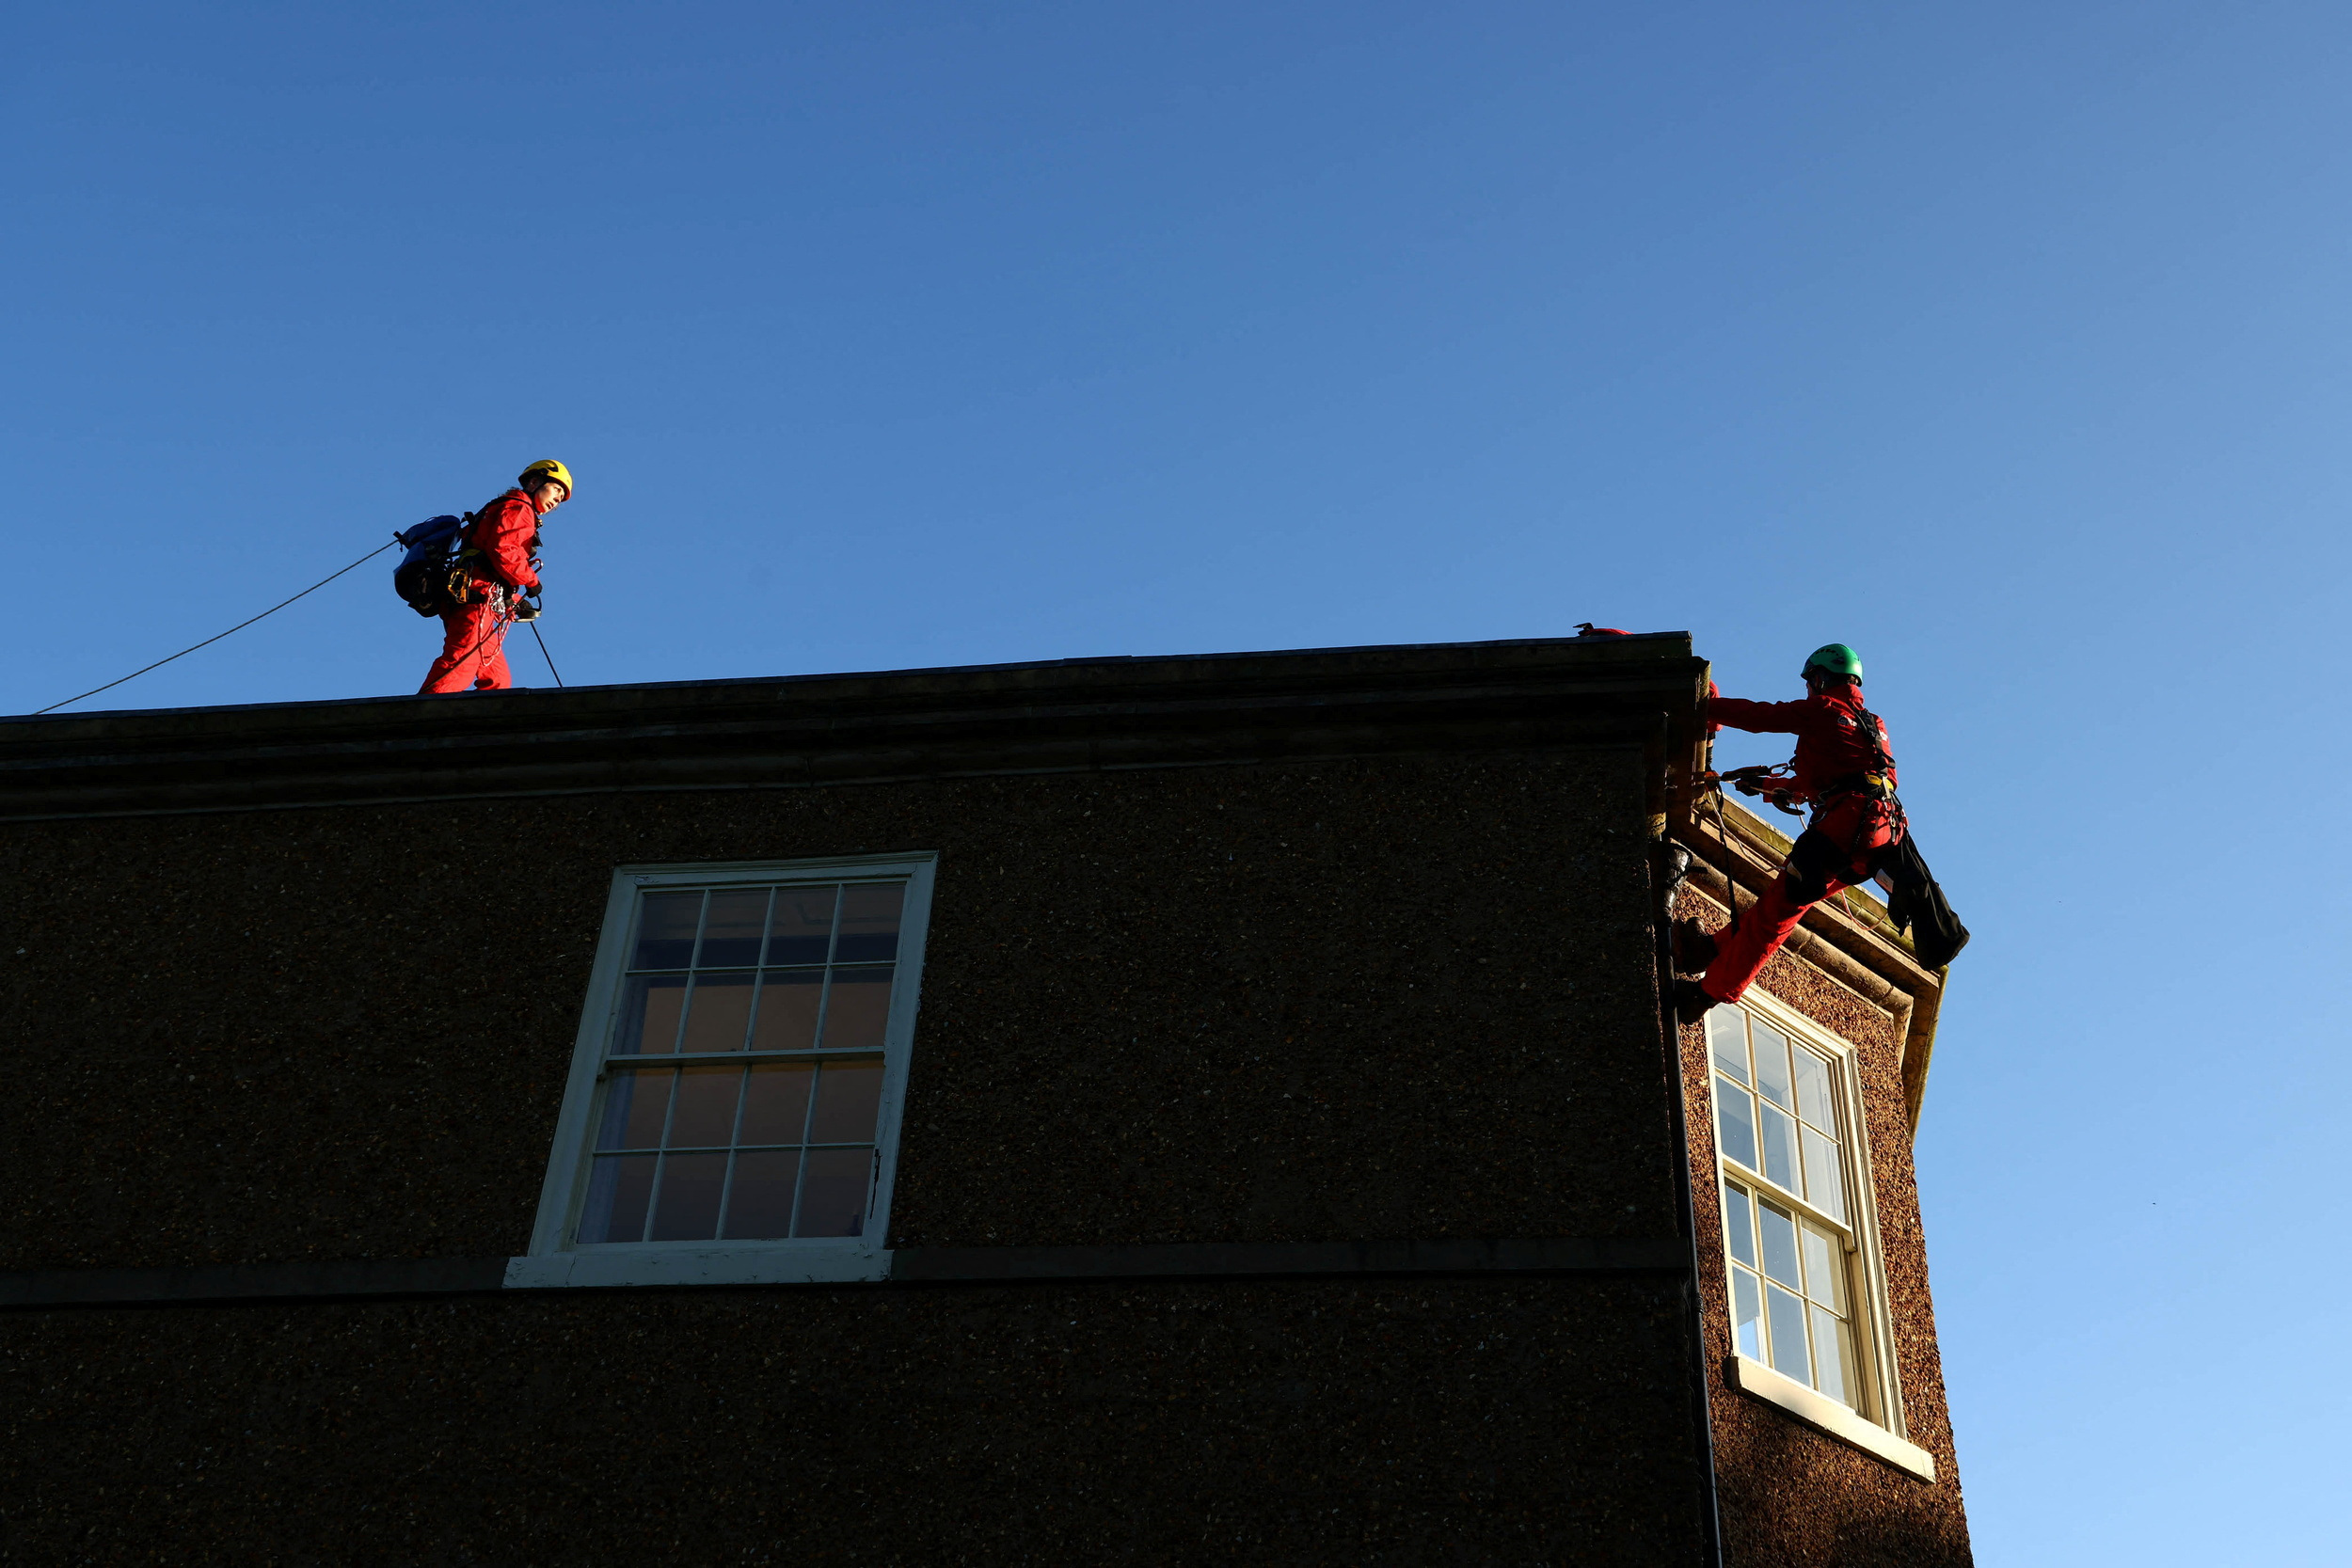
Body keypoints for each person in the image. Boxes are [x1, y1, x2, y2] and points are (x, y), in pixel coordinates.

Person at [1673, 643, 1902, 1022]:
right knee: (1782, 904)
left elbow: (1761, 716)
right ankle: (1707, 950)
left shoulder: (1825, 709)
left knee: (1776, 915)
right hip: (1880, 839)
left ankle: (1704, 995)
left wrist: (1701, 706)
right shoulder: (1874, 727)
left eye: (1811, 683)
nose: (1809, 690)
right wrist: (1766, 783)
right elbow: (1828, 782)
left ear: (1819, 678)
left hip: (1845, 830)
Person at [420, 460, 571, 693]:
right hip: (479, 598)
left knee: (496, 680)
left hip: (476, 596)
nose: (557, 499)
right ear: (534, 482)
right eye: (556, 489)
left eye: (561, 498)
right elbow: (504, 550)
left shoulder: (503, 507)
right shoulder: (519, 508)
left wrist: (517, 601)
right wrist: (532, 581)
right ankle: (423, 718)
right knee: (462, 661)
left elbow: (492, 558)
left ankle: (479, 727)